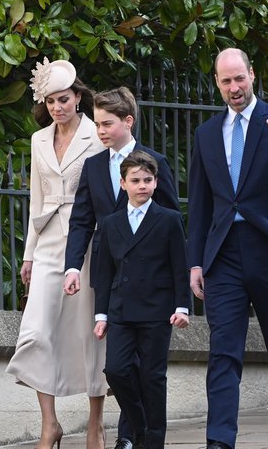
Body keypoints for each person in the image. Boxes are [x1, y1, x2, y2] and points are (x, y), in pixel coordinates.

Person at [187, 48, 268, 449]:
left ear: (252, 75)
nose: (234, 88)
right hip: (223, 254)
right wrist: (195, 262)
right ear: (217, 83)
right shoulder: (206, 133)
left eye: (239, 79)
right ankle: (219, 440)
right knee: (223, 349)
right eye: (226, 81)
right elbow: (200, 204)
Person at [62, 86, 180, 449]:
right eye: (97, 124)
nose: (100, 131)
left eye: (106, 124)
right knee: (120, 367)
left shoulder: (153, 163)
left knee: (146, 368)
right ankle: (136, 430)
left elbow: (172, 220)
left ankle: (131, 436)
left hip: (151, 283)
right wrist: (72, 266)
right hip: (111, 276)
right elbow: (82, 220)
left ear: (128, 121)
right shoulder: (94, 166)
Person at [5, 58, 107, 449]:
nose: (57, 107)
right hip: (47, 242)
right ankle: (50, 424)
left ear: (78, 97)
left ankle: (95, 425)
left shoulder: (96, 137)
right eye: (50, 101)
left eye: (63, 99)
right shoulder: (38, 140)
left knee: (89, 334)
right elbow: (36, 199)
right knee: (34, 332)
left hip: (88, 242)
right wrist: (28, 255)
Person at [93, 150, 191, 449]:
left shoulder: (169, 219)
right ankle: (140, 426)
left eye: (148, 180)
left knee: (152, 377)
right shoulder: (111, 223)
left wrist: (182, 307)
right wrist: (101, 316)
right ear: (123, 184)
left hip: (157, 310)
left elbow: (179, 266)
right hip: (120, 309)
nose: (142, 186)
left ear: (156, 182)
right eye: (135, 180)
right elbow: (104, 272)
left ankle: (153, 441)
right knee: (117, 370)